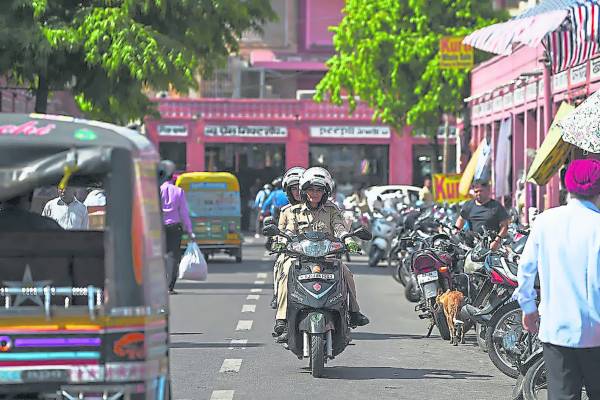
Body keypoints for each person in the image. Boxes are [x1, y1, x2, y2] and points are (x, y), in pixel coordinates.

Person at [515, 159, 600, 400]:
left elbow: (526, 269)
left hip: (557, 327)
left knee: (562, 395)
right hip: (597, 330)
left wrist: (529, 308)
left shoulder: (545, 222)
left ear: (566, 185)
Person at [274, 167, 369, 343]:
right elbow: (287, 230)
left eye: (319, 190)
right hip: (300, 258)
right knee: (286, 271)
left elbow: (339, 228)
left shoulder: (332, 209)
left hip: (327, 257)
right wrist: (281, 240)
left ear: (325, 192)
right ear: (304, 191)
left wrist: (348, 241)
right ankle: (283, 320)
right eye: (311, 189)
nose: (315, 194)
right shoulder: (294, 212)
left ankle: (354, 312)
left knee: (346, 272)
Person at [270, 167, 305, 311]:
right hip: (293, 251)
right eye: (293, 188)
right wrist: (279, 242)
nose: (297, 191)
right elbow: (282, 231)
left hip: (320, 251)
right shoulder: (286, 211)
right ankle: (278, 297)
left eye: (300, 188)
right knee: (280, 265)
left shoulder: (323, 207)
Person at [158, 160, 195, 294]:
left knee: (159, 255)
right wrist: (189, 230)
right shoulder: (179, 192)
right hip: (175, 226)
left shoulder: (158, 191)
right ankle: (170, 287)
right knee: (173, 255)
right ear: (172, 178)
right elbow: (184, 213)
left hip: (159, 227)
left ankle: (160, 284)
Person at [453, 179, 510, 250]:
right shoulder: (469, 205)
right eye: (476, 191)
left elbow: (504, 226)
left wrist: (496, 241)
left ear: (487, 191)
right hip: (472, 246)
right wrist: (456, 231)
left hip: (491, 245)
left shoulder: (496, 206)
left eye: (481, 191)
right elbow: (461, 219)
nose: (478, 193)